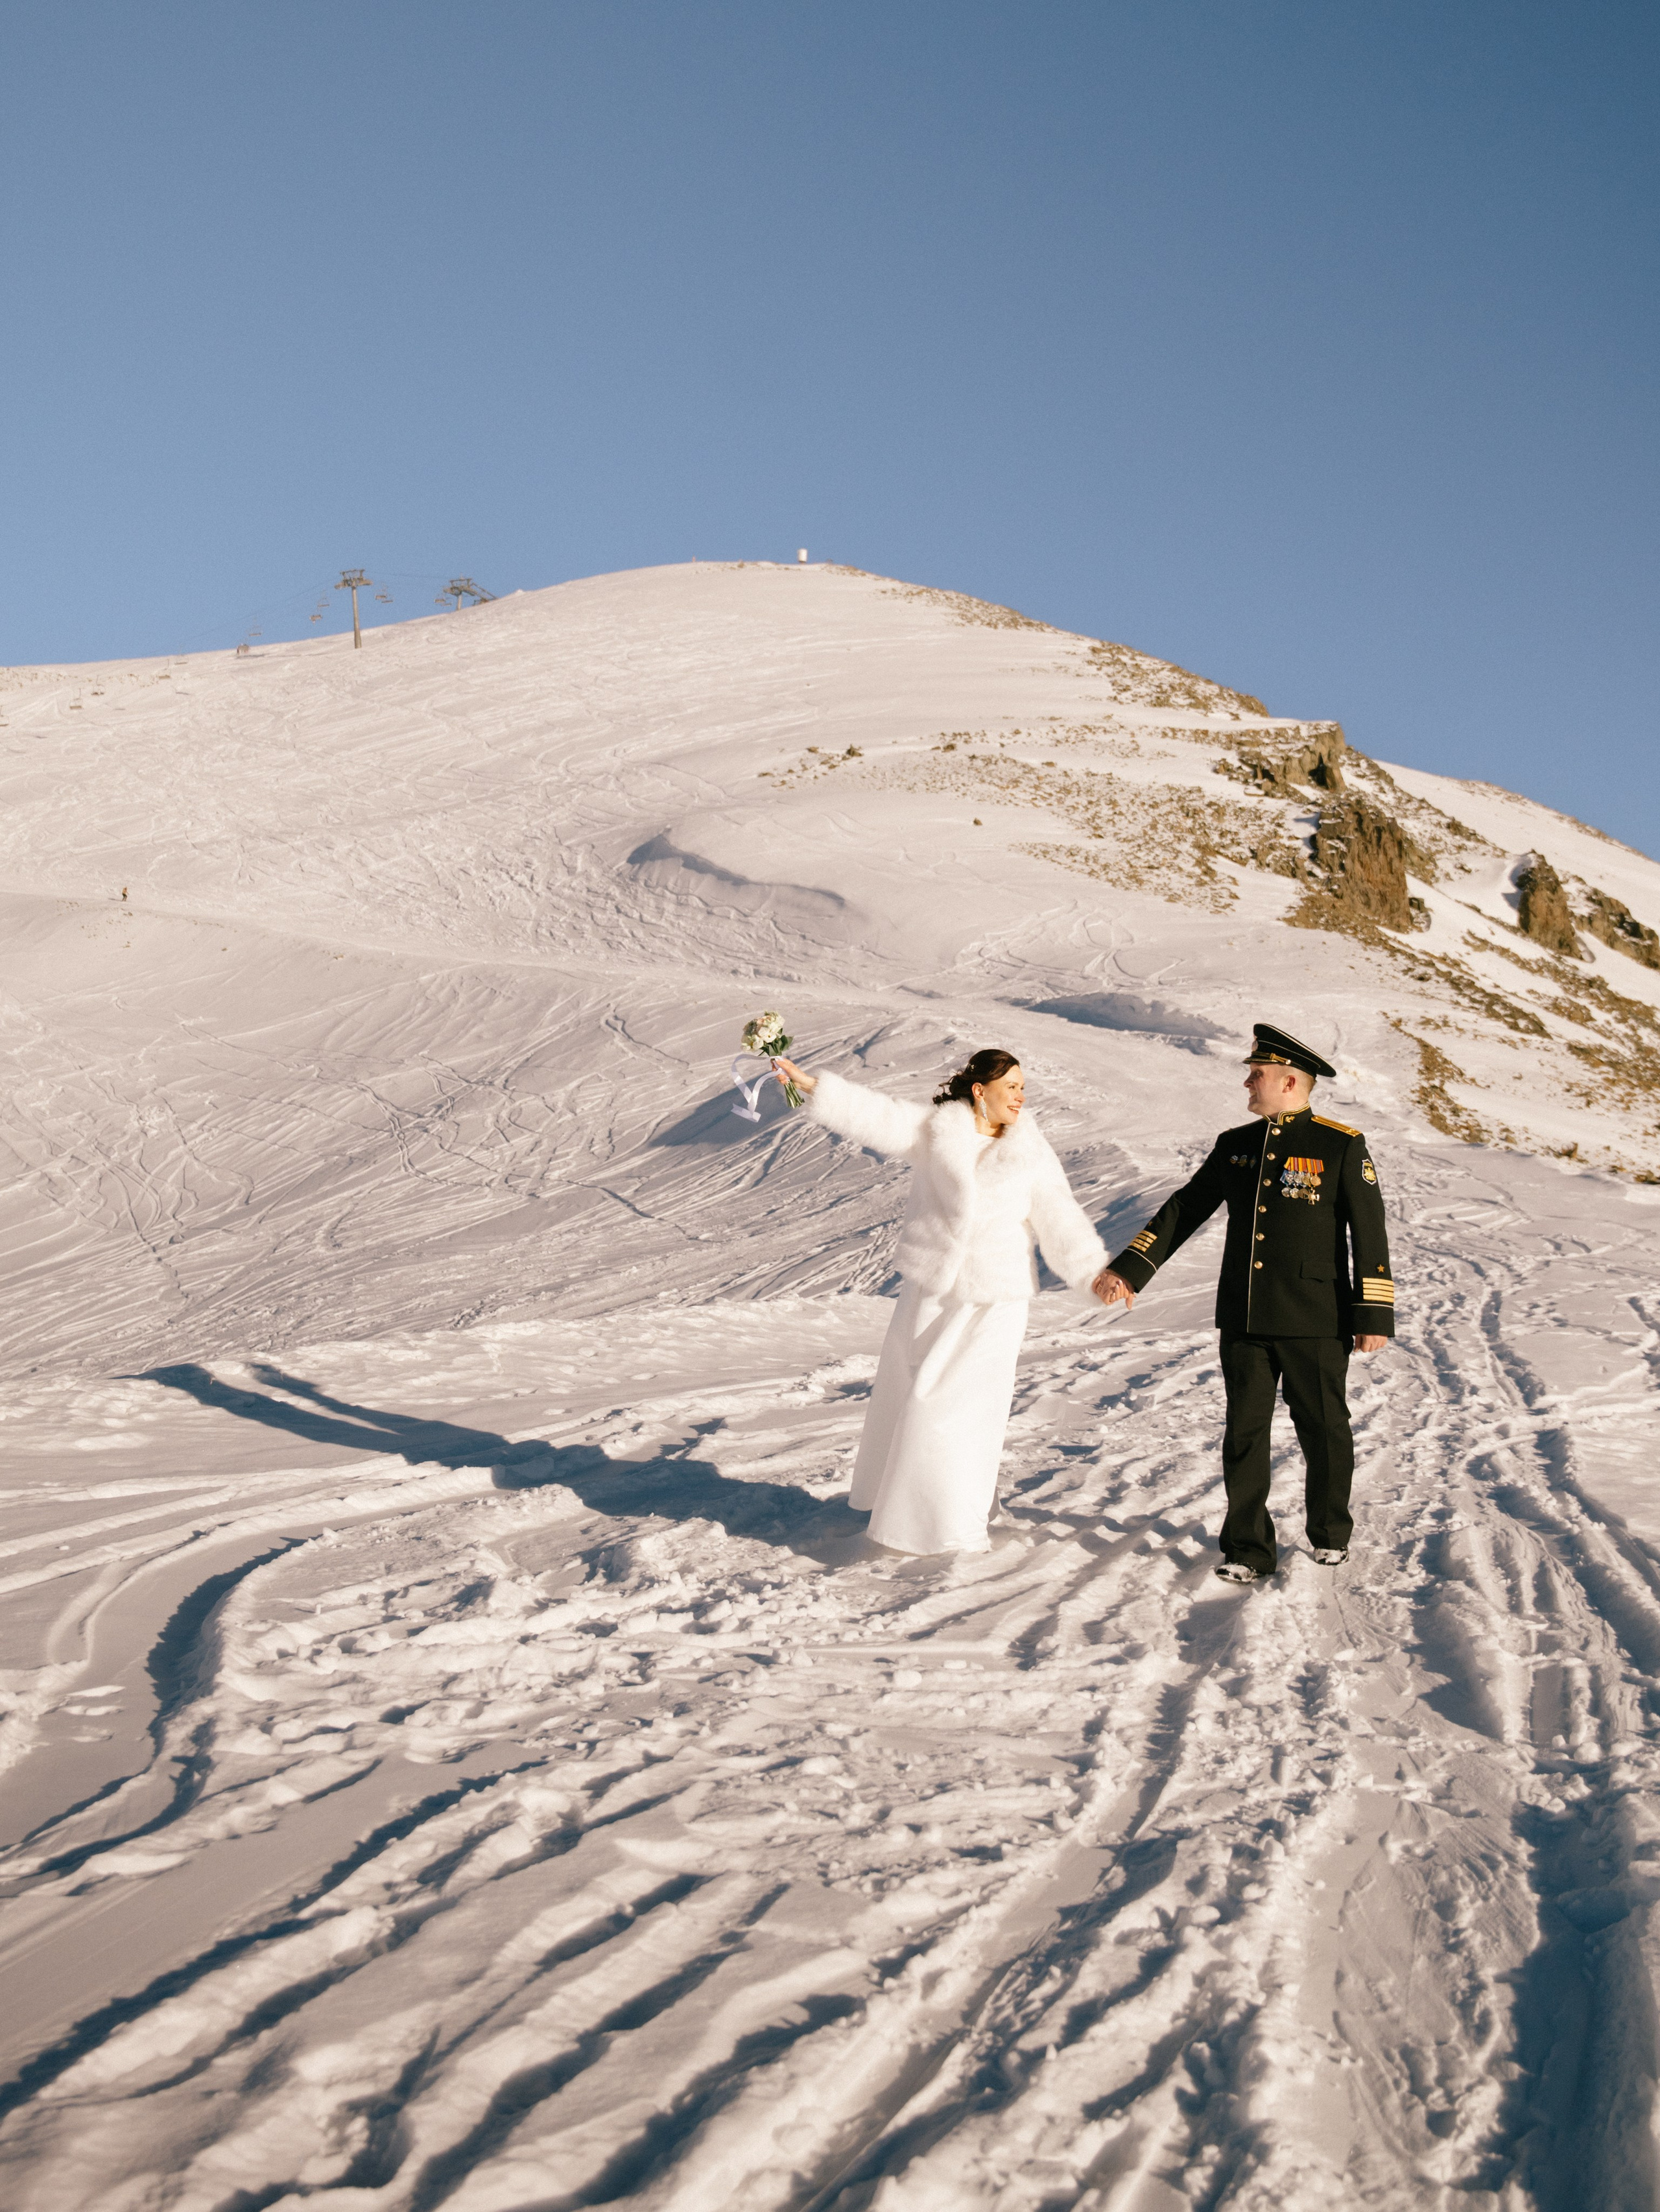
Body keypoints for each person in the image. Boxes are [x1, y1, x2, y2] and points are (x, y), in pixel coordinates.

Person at [770, 1047, 1112, 1554]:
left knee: (952, 1404)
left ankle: (943, 1528)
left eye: (1023, 1087)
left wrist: (1092, 1274)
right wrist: (814, 1087)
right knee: (909, 1393)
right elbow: (878, 1117)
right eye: (1011, 1086)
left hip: (995, 1298)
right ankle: (921, 1508)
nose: (1021, 1096)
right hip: (930, 1291)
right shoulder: (938, 1130)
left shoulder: (1029, 1148)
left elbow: (1059, 1215)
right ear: (981, 1089)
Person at [1093, 1022, 1393, 1584]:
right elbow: (1185, 1208)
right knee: (1244, 1434)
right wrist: (1129, 1269)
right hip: (1247, 1318)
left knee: (1324, 1429)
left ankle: (1330, 1532)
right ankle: (1248, 1548)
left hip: (1317, 1319)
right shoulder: (1236, 1147)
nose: (1247, 1084)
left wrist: (1372, 1315)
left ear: (1289, 1082)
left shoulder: (1340, 1145)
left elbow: (1369, 1237)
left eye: (1256, 1075)